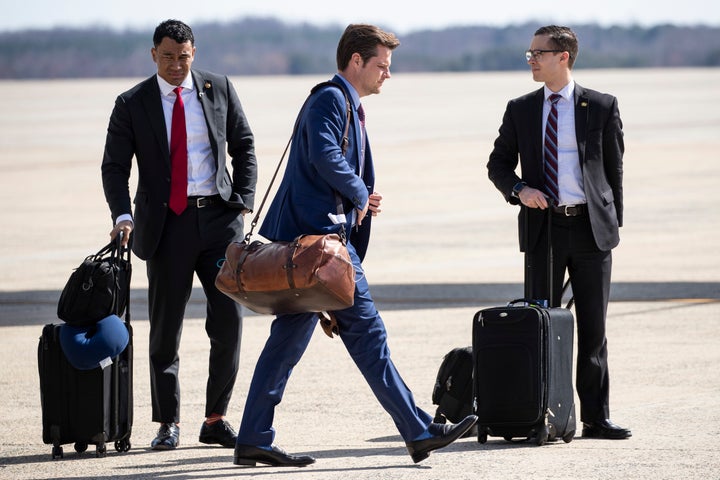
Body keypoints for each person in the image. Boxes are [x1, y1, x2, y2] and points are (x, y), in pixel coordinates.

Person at [232, 23, 477, 468]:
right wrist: (360, 194)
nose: (387, 74)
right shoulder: (331, 98)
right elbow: (324, 154)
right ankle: (418, 430)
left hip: (312, 246)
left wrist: (357, 195)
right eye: (381, 65)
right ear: (356, 61)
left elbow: (326, 162)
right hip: (320, 250)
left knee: (285, 345)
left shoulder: (344, 103)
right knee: (369, 338)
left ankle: (253, 437)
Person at [101, 19, 257, 450]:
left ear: (195, 53)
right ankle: (168, 422)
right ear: (154, 54)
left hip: (220, 222)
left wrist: (244, 197)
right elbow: (115, 166)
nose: (175, 65)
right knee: (165, 330)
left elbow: (243, 143)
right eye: (167, 57)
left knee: (228, 323)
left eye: (183, 57)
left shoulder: (218, 87)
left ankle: (215, 418)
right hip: (166, 225)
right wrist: (122, 215)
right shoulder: (132, 103)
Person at [487, 25, 631, 440]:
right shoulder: (521, 108)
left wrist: (611, 224)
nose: (531, 59)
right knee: (541, 325)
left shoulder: (600, 106)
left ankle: (595, 418)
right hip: (543, 229)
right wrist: (520, 189)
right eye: (529, 53)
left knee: (593, 329)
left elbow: (613, 170)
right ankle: (540, 414)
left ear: (563, 56)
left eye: (538, 53)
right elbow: (497, 166)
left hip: (590, 230)